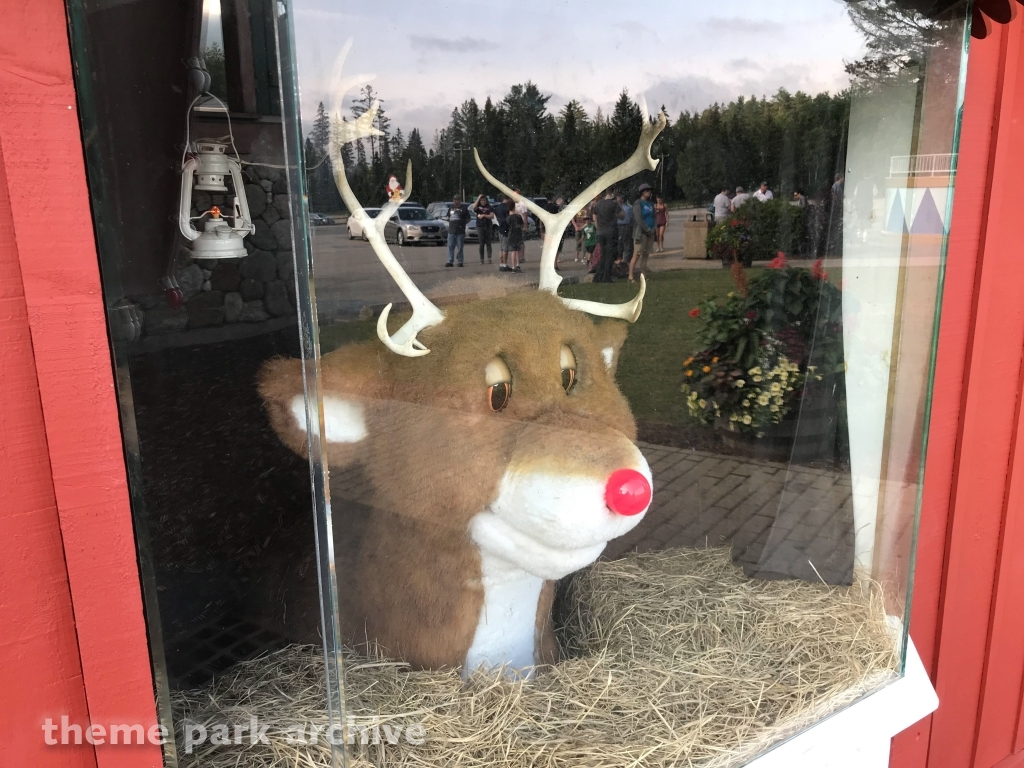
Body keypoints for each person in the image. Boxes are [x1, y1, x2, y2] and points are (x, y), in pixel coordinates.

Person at [628, 183, 656, 282]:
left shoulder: (651, 203)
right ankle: (630, 276)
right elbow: (638, 219)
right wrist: (647, 229)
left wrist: (653, 228)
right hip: (641, 233)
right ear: (643, 192)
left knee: (646, 254)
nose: (649, 192)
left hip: (650, 232)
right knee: (637, 254)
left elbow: (654, 216)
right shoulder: (638, 203)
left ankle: (643, 274)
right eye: (647, 190)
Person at [592, 189, 620, 283]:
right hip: (611, 231)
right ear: (613, 193)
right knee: (610, 255)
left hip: (601, 231)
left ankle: (598, 276)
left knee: (603, 254)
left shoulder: (598, 204)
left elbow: (594, 217)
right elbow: (622, 215)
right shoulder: (613, 204)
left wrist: (598, 227)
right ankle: (606, 277)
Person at [445, 195, 470, 267]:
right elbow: (448, 216)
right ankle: (450, 261)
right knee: (450, 246)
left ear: (460, 200)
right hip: (451, 230)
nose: (456, 201)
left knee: (460, 247)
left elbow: (468, 218)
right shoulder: (451, 207)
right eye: (454, 200)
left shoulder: (464, 208)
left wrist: (463, 223)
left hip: (460, 230)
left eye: (457, 200)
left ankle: (460, 261)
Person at [471, 194, 495, 264]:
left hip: (488, 225)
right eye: (482, 200)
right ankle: (481, 258)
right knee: (481, 243)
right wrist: (478, 198)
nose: (483, 201)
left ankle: (489, 258)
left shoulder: (489, 207)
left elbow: (492, 216)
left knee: (488, 243)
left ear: (486, 201)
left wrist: (484, 215)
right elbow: (474, 207)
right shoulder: (478, 207)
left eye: (484, 200)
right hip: (480, 226)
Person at [505, 203, 524, 273]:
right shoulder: (518, 216)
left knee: (513, 251)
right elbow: (522, 224)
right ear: (514, 208)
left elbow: (506, 227)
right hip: (518, 234)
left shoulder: (508, 218)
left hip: (511, 235)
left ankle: (513, 267)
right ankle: (518, 265)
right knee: (518, 250)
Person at [616, 193, 633, 267]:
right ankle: (625, 260)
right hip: (625, 227)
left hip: (621, 227)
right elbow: (631, 219)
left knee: (621, 243)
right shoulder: (629, 208)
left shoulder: (624, 208)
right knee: (626, 244)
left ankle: (621, 259)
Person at [494, 196, 511, 271]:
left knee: (501, 248)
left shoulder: (497, 207)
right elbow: (508, 218)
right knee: (505, 248)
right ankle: (504, 265)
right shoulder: (507, 207)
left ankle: (501, 264)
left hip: (500, 228)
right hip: (505, 229)